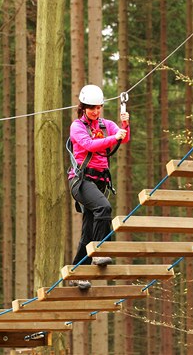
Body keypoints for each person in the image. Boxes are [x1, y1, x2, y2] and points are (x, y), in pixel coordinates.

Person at [67, 84, 130, 289]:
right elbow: (89, 145)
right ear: (83, 107)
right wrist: (114, 137)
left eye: (99, 107)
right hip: (81, 181)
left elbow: (124, 137)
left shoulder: (106, 125)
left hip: (99, 182)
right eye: (92, 107)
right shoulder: (77, 126)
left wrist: (124, 125)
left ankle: (77, 272)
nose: (96, 111)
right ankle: (99, 252)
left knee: (88, 230)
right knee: (104, 208)